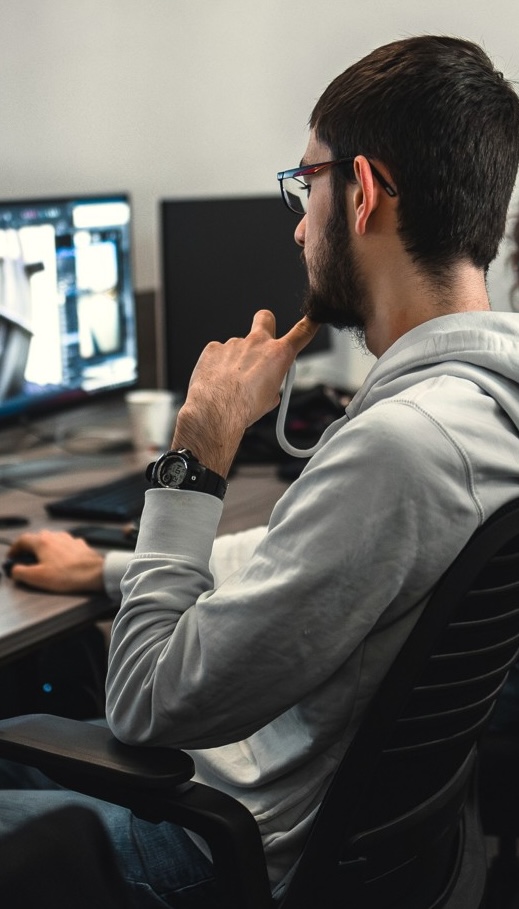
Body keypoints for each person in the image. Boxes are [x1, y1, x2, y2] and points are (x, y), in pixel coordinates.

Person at [2, 34, 519, 908]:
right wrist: (114, 569)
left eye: (302, 182)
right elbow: (301, 562)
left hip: (225, 842)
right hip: (389, 845)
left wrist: (198, 451)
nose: (294, 221)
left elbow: (143, 705)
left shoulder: (403, 444)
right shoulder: (479, 410)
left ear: (358, 193)